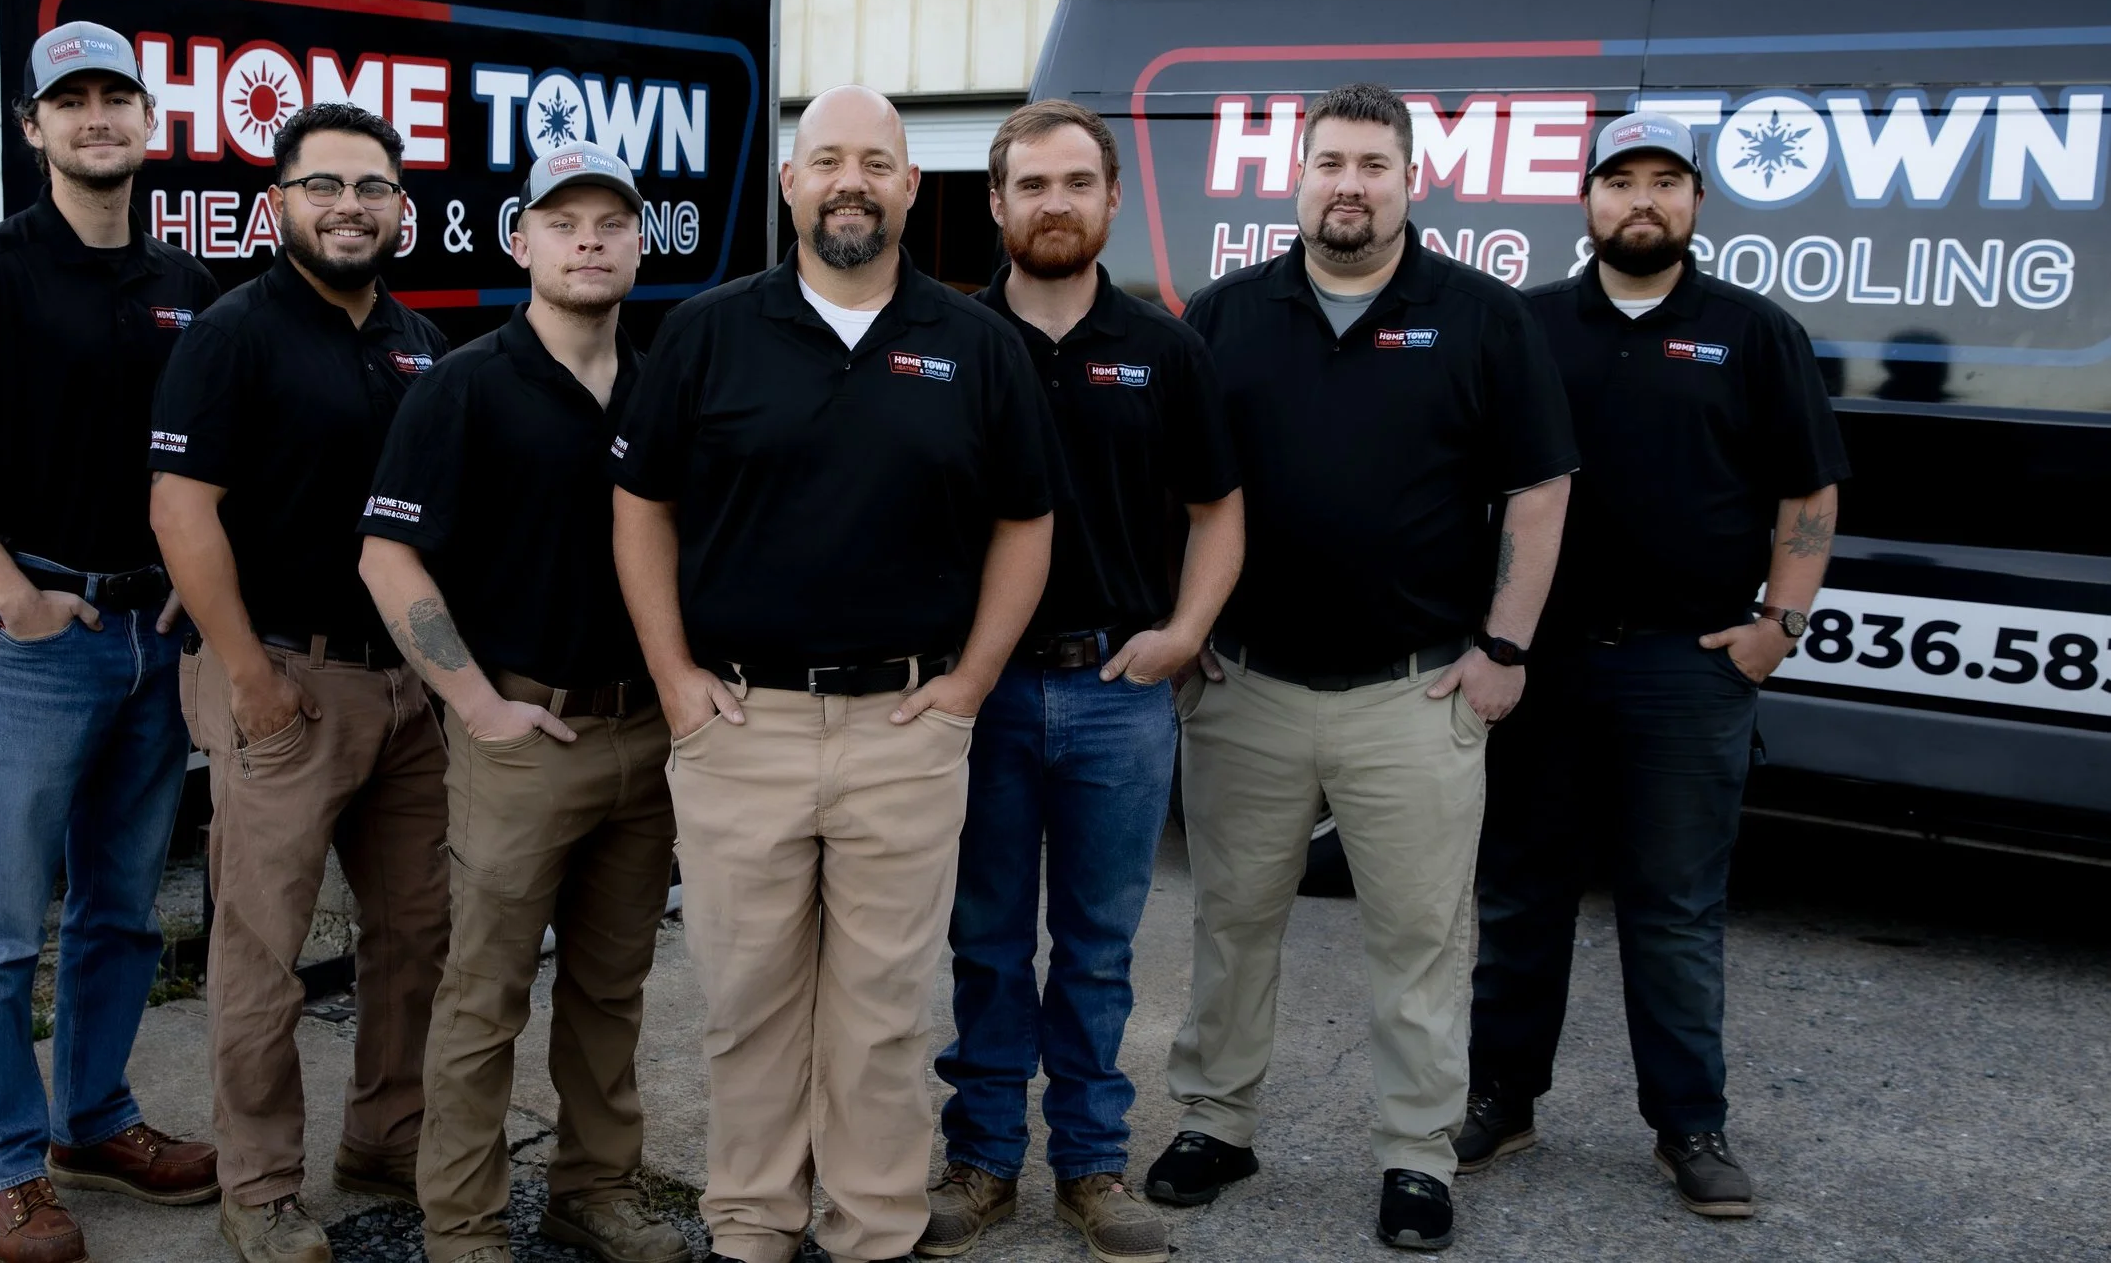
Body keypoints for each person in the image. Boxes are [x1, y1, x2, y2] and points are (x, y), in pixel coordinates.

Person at [608, 84, 1057, 1263]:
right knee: (744, 1002)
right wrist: (673, 680)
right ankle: (751, 1223)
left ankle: (872, 1228)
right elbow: (639, 506)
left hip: (906, 726)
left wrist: (966, 687)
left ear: (913, 186)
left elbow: (1027, 521)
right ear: (791, 183)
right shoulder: (706, 332)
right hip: (739, 720)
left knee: (881, 1016)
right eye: (827, 160)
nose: (850, 180)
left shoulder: (979, 345)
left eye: (876, 161)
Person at [1140, 83, 1577, 1252]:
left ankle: (1415, 1152)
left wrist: (1504, 649)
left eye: (1373, 164)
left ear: (1409, 181)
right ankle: (1217, 1121)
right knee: (1231, 921)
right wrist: (1186, 636)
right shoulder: (1222, 317)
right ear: (1294, 178)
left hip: (1416, 690)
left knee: (1420, 937)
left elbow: (1538, 492)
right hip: (1248, 686)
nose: (1350, 183)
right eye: (1329, 161)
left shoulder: (1484, 318)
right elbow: (1174, 496)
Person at [1459, 111, 1848, 1219]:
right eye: (1619, 179)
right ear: (1583, 202)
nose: (1642, 200)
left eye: (1664, 182)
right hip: (1541, 663)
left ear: (1696, 204)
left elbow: (1808, 487)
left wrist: (1779, 622)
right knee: (1519, 895)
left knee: (1672, 907)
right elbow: (1472, 480)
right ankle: (1501, 1094)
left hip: (1687, 667)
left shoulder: (1752, 331)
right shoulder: (1526, 325)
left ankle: (1690, 1125)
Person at [0, 19, 221, 1263]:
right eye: (68, 100)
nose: (95, 118)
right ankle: (2, 1169)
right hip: (38, 647)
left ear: (149, 122)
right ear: (32, 128)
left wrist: (197, 587)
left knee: (125, 911)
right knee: (0, 930)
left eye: (115, 98)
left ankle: (94, 1119)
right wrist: (13, 596)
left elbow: (204, 469)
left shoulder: (185, 286)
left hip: (149, 640)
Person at [919, 101, 1243, 1263]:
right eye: (1030, 184)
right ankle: (982, 1158)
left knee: (1099, 946)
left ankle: (1092, 1166)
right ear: (996, 203)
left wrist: (1183, 628)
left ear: (1110, 199)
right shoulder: (946, 338)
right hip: (984, 692)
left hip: (1118, 690)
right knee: (988, 938)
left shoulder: (1167, 347)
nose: (1054, 202)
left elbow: (1219, 508)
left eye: (1075, 182)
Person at [357, 146, 690, 1263]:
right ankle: (464, 1222)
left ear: (641, 243)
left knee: (611, 988)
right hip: (521, 738)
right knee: (483, 997)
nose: (587, 238)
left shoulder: (664, 383)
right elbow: (388, 560)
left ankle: (594, 1188)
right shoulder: (463, 383)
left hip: (645, 731)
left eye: (610, 221)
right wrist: (477, 704)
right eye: (563, 222)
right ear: (521, 244)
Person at [149, 102, 453, 1263]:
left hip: (403, 693)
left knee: (416, 932)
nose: (349, 206)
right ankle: (261, 1182)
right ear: (279, 205)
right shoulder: (232, 335)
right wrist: (246, 678)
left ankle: (386, 1133)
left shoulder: (417, 340)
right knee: (262, 952)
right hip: (283, 679)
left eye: (371, 187)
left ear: (401, 211)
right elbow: (181, 509)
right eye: (323, 185)